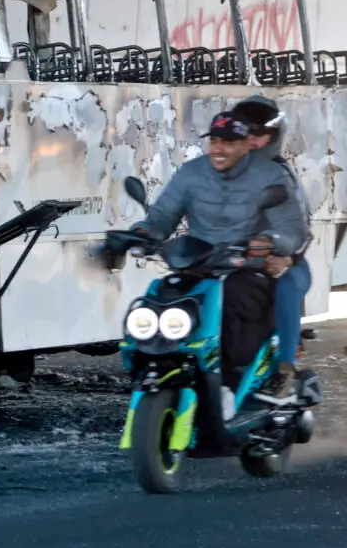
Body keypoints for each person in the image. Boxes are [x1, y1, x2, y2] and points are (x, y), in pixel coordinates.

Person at [134, 111, 310, 396]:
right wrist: (143, 232)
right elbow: (163, 215)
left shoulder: (272, 175)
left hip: (249, 268)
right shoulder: (192, 172)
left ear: (244, 145)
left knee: (230, 300)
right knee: (161, 295)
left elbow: (294, 228)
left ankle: (231, 383)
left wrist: (270, 241)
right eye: (214, 141)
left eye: (228, 142)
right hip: (199, 265)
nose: (218, 148)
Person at [230, 96, 312, 404]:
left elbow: (302, 229)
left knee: (287, 290)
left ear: (272, 138)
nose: (251, 141)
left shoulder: (281, 175)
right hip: (235, 260)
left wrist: (287, 257)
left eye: (258, 134)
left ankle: (284, 370)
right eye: (244, 133)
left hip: (286, 262)